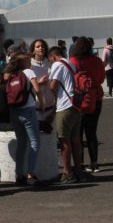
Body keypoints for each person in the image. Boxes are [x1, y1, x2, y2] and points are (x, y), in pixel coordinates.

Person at [70, 37, 106, 173]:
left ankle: (80, 163)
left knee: (77, 133)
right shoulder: (96, 61)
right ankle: (94, 163)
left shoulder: (73, 61)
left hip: (78, 99)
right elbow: (102, 78)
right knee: (91, 132)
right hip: (95, 97)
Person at [48, 47, 82, 184]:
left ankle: (67, 172)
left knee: (64, 140)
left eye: (50, 59)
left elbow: (53, 86)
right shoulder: (70, 64)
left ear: (53, 56)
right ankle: (78, 170)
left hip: (65, 105)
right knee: (75, 139)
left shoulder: (57, 64)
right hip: (76, 104)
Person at [6, 55, 41, 185]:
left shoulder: (11, 74)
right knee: (34, 142)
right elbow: (37, 89)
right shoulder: (28, 72)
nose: (30, 61)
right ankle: (31, 173)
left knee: (21, 143)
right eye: (28, 59)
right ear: (23, 62)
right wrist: (41, 103)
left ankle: (19, 174)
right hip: (28, 111)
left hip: (14, 111)